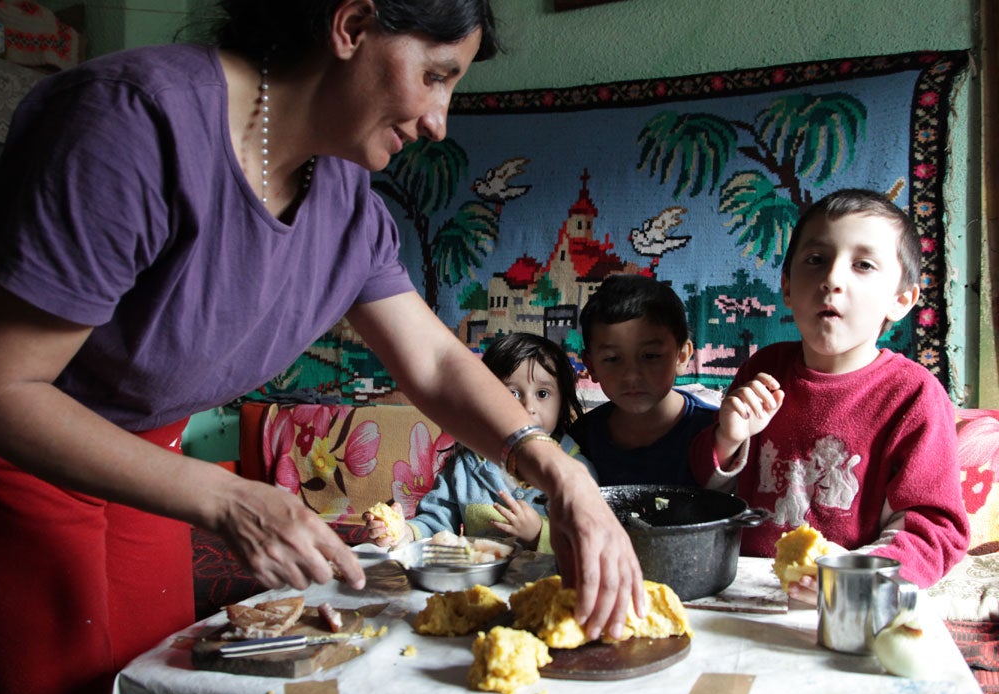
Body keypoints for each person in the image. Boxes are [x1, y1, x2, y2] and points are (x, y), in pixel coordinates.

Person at [0, 2, 644, 694]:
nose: (438, 122)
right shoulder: (131, 125)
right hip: (17, 458)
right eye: (433, 76)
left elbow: (434, 363)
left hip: (144, 465)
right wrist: (226, 496)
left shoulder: (344, 202)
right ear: (352, 25)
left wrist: (560, 473)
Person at [689, 188, 968, 604]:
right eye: (816, 260)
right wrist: (727, 440)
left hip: (849, 600)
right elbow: (705, 488)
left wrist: (856, 576)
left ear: (902, 299)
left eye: (863, 265)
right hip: (743, 593)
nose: (832, 279)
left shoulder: (914, 395)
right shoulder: (763, 370)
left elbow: (935, 530)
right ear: (786, 287)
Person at [365, 332, 595, 552]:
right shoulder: (465, 465)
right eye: (513, 394)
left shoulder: (577, 468)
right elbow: (437, 522)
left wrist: (538, 534)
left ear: (562, 401)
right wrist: (402, 531)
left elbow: (589, 540)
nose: (528, 408)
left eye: (542, 394)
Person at [570, 274, 717, 486]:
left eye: (650, 356)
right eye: (612, 359)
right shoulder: (581, 438)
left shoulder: (714, 433)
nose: (632, 375)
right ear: (591, 366)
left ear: (682, 356)